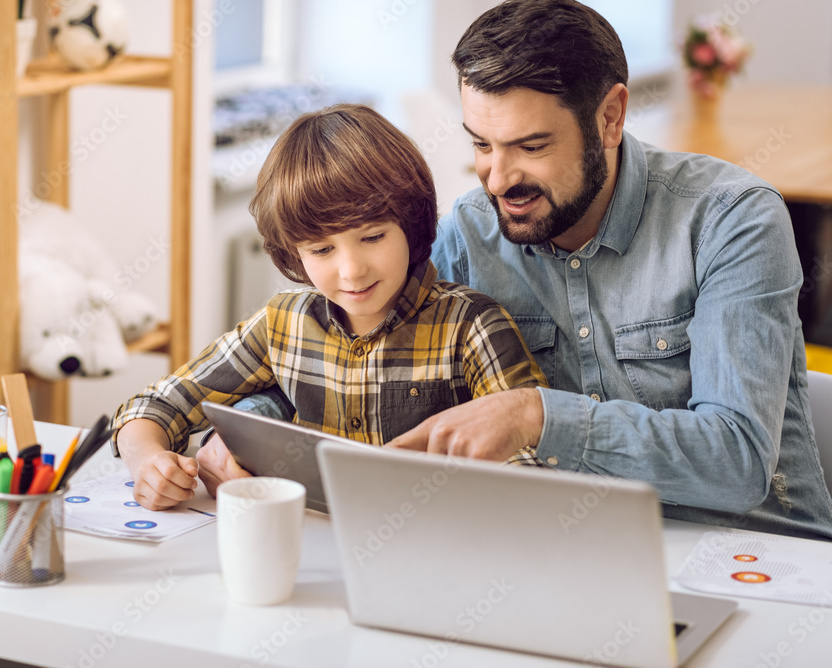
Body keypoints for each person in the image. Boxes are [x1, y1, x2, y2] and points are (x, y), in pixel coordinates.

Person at [198, 0, 832, 541]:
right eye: (480, 144)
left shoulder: (733, 221)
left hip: (758, 560)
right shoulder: (471, 234)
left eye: (531, 147)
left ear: (610, 118)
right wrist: (257, 432)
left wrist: (535, 415)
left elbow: (738, 459)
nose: (498, 181)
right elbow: (362, 360)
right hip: (559, 552)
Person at [111, 104, 548, 510]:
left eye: (373, 237)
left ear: (411, 224)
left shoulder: (471, 326)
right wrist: (148, 462)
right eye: (321, 250)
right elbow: (154, 405)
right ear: (292, 253)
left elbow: (535, 471)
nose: (351, 271)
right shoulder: (284, 322)